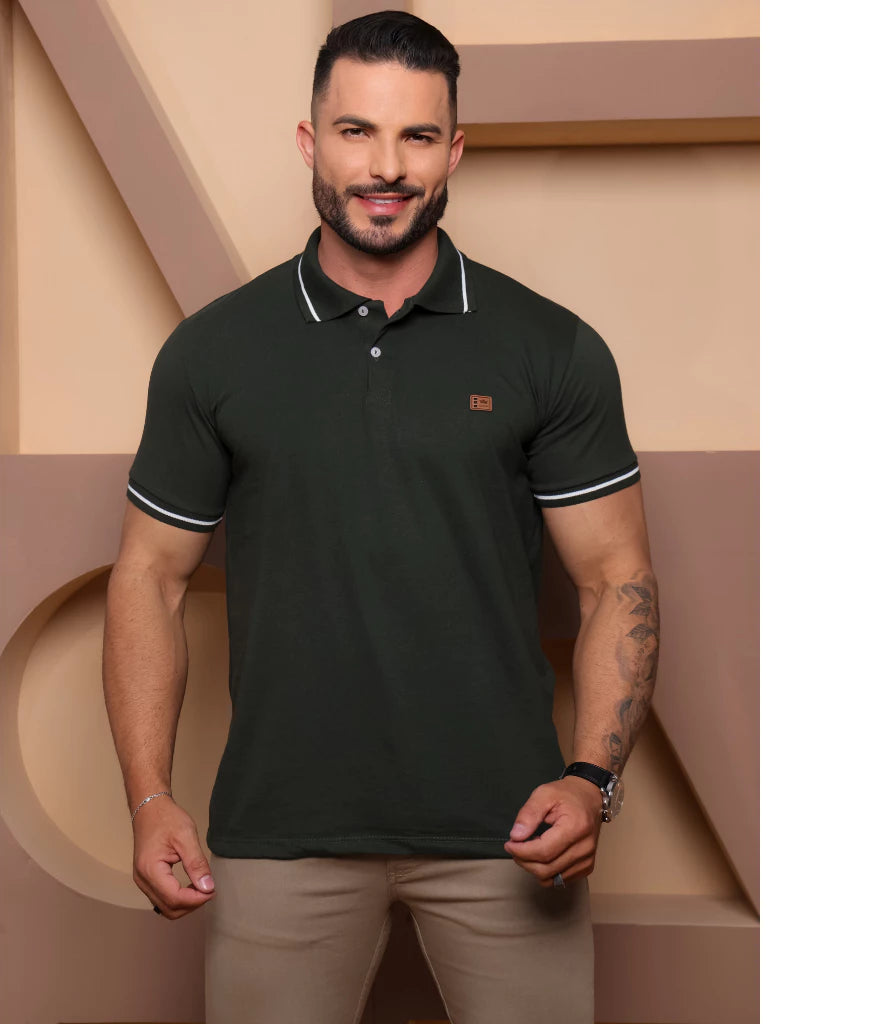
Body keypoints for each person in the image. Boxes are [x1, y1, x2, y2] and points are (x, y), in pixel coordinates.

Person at [103, 10, 659, 1024]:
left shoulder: (550, 348)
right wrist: (149, 796)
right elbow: (150, 577)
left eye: (416, 135)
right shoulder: (214, 352)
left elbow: (615, 576)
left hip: (509, 830)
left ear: (455, 149)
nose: (387, 166)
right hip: (280, 831)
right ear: (310, 142)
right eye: (356, 131)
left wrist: (590, 780)